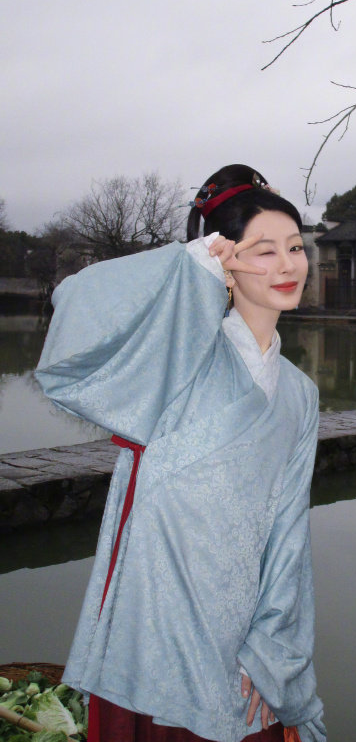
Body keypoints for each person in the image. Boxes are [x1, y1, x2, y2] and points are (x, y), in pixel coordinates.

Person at [35, 165, 326, 742]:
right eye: (262, 250)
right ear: (226, 260)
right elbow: (71, 337)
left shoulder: (300, 391)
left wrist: (270, 650)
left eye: (294, 247)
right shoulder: (180, 358)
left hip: (244, 609)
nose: (288, 264)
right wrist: (185, 264)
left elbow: (289, 533)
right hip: (160, 604)